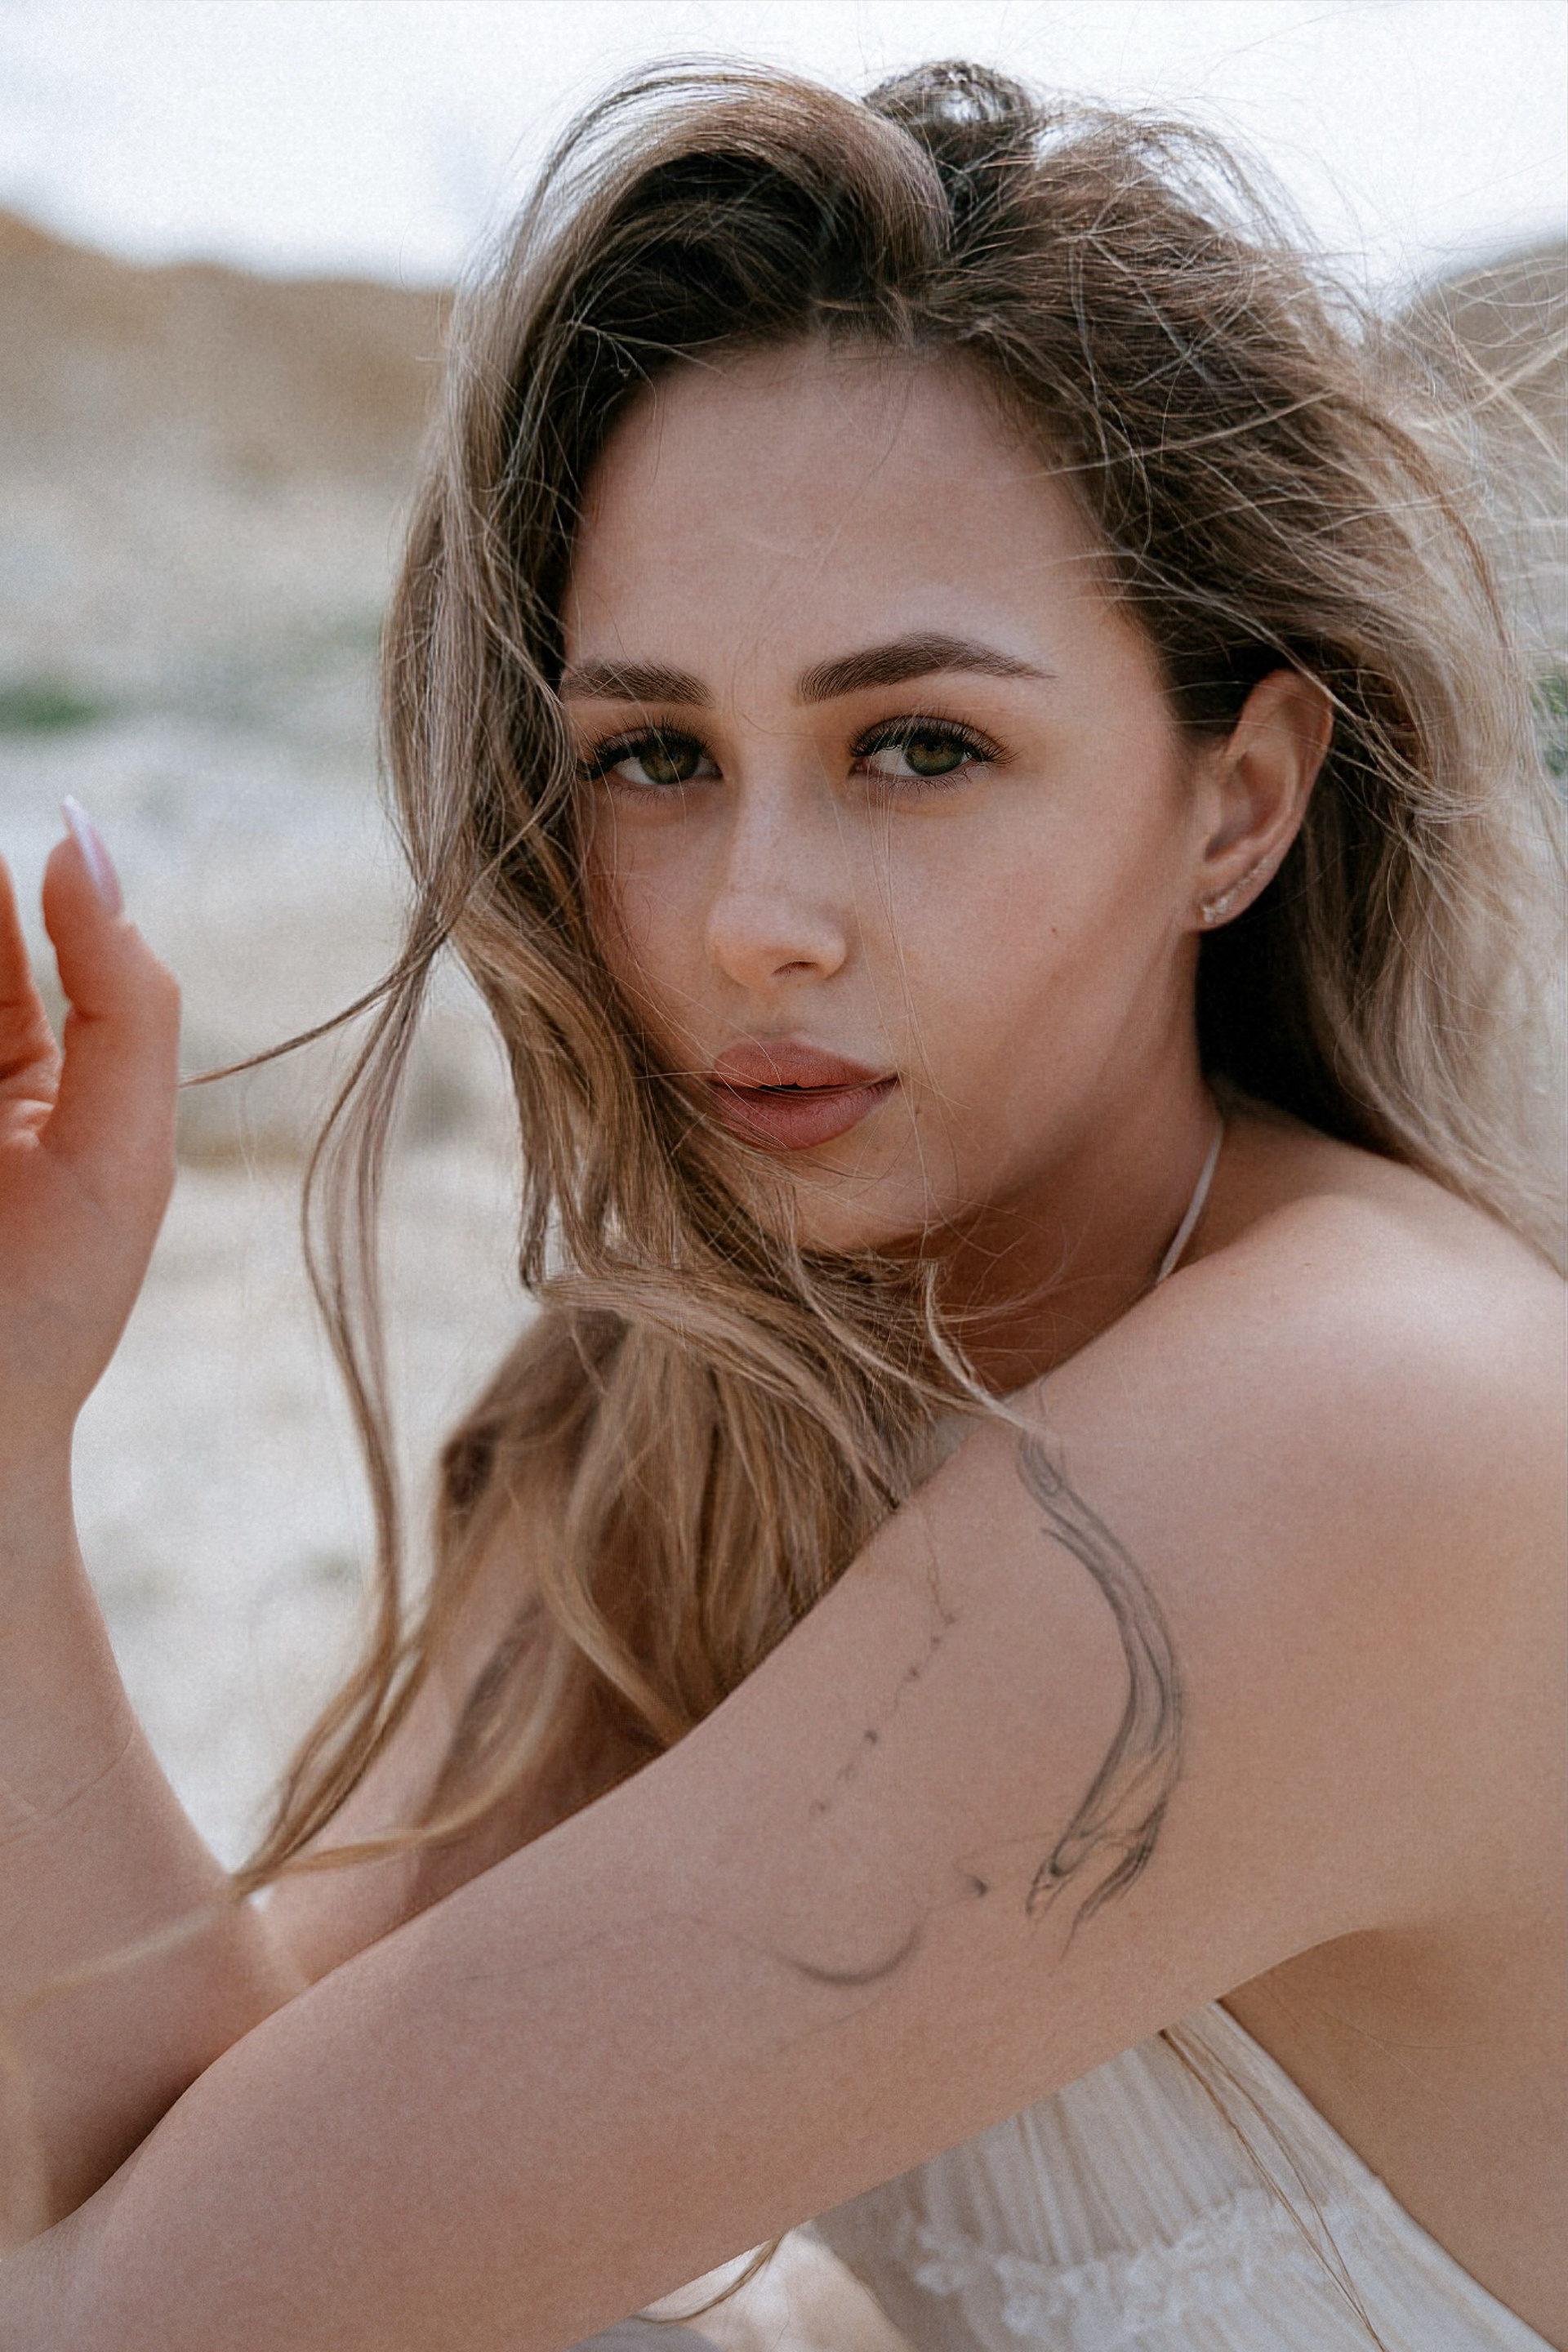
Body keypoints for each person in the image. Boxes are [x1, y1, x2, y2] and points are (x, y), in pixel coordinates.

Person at [0, 56, 1561, 2352]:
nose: (751, 923)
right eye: (654, 756)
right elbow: (195, 2161)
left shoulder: (1354, 1434)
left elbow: (143, 2318)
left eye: (918, 747)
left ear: (1238, 803)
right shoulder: (700, 1394)